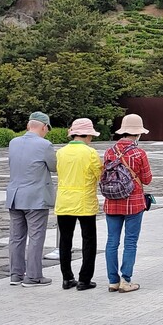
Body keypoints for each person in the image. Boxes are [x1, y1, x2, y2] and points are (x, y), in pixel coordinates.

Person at [6, 111, 56, 287]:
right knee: (36, 237)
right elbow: (54, 166)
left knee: (16, 237)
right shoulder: (45, 145)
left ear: (28, 126)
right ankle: (33, 276)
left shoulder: (13, 143)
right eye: (47, 129)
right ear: (44, 127)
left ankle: (16, 274)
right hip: (36, 198)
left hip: (14, 196)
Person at [103, 114, 152, 293]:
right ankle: (126, 280)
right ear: (138, 133)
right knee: (130, 242)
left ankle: (112, 281)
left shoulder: (109, 151)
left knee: (111, 242)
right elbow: (147, 179)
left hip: (112, 201)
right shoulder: (139, 153)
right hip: (134, 202)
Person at [55, 118, 103, 291]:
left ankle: (67, 278)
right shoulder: (90, 153)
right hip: (84, 200)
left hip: (64, 200)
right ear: (88, 135)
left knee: (65, 241)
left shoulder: (61, 152)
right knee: (88, 240)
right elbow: (100, 175)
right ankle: (84, 279)